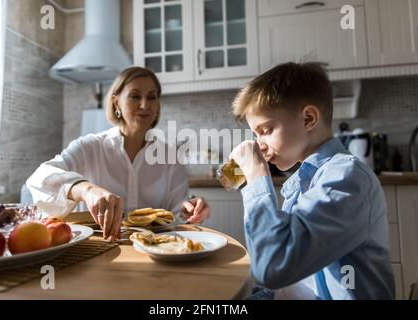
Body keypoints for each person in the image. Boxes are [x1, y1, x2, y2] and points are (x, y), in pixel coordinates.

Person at [229, 62, 395, 299]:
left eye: (266, 130)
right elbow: (289, 287)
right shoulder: (303, 179)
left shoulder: (347, 178)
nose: (260, 145)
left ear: (308, 119)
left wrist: (256, 175)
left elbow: (273, 267)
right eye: (255, 135)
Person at [27, 67, 210, 241]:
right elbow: (40, 178)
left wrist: (190, 210)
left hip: (156, 252)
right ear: (117, 102)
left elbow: (177, 214)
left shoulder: (170, 156)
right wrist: (86, 190)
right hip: (95, 249)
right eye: (135, 96)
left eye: (152, 97)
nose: (145, 105)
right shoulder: (90, 146)